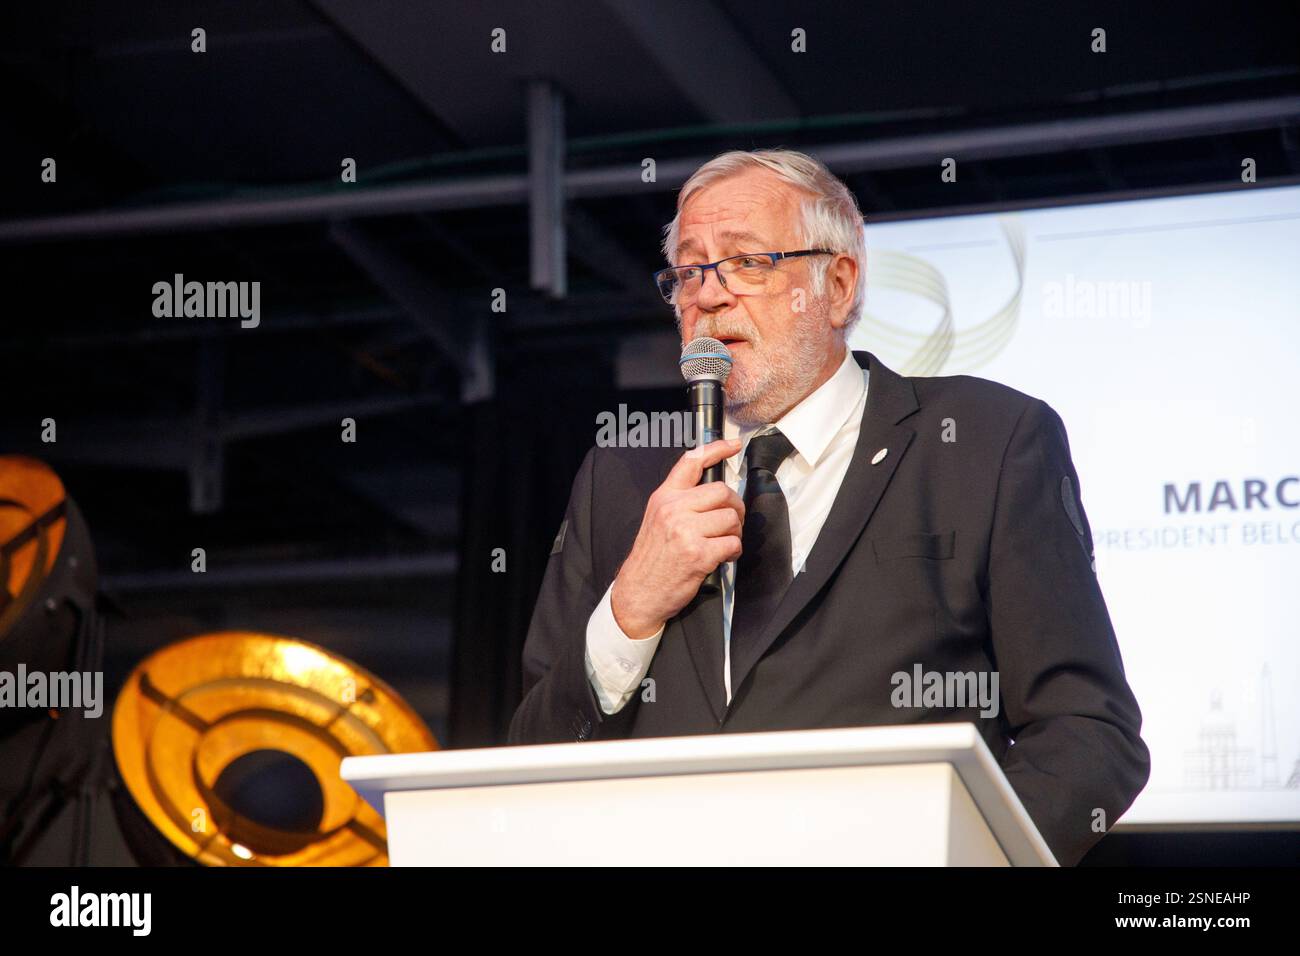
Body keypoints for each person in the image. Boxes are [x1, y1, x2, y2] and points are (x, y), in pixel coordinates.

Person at [507, 148, 1149, 866]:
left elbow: (1088, 732)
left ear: (838, 284)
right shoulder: (621, 480)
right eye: (688, 270)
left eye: (747, 262)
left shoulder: (984, 443)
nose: (708, 296)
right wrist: (631, 609)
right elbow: (531, 755)